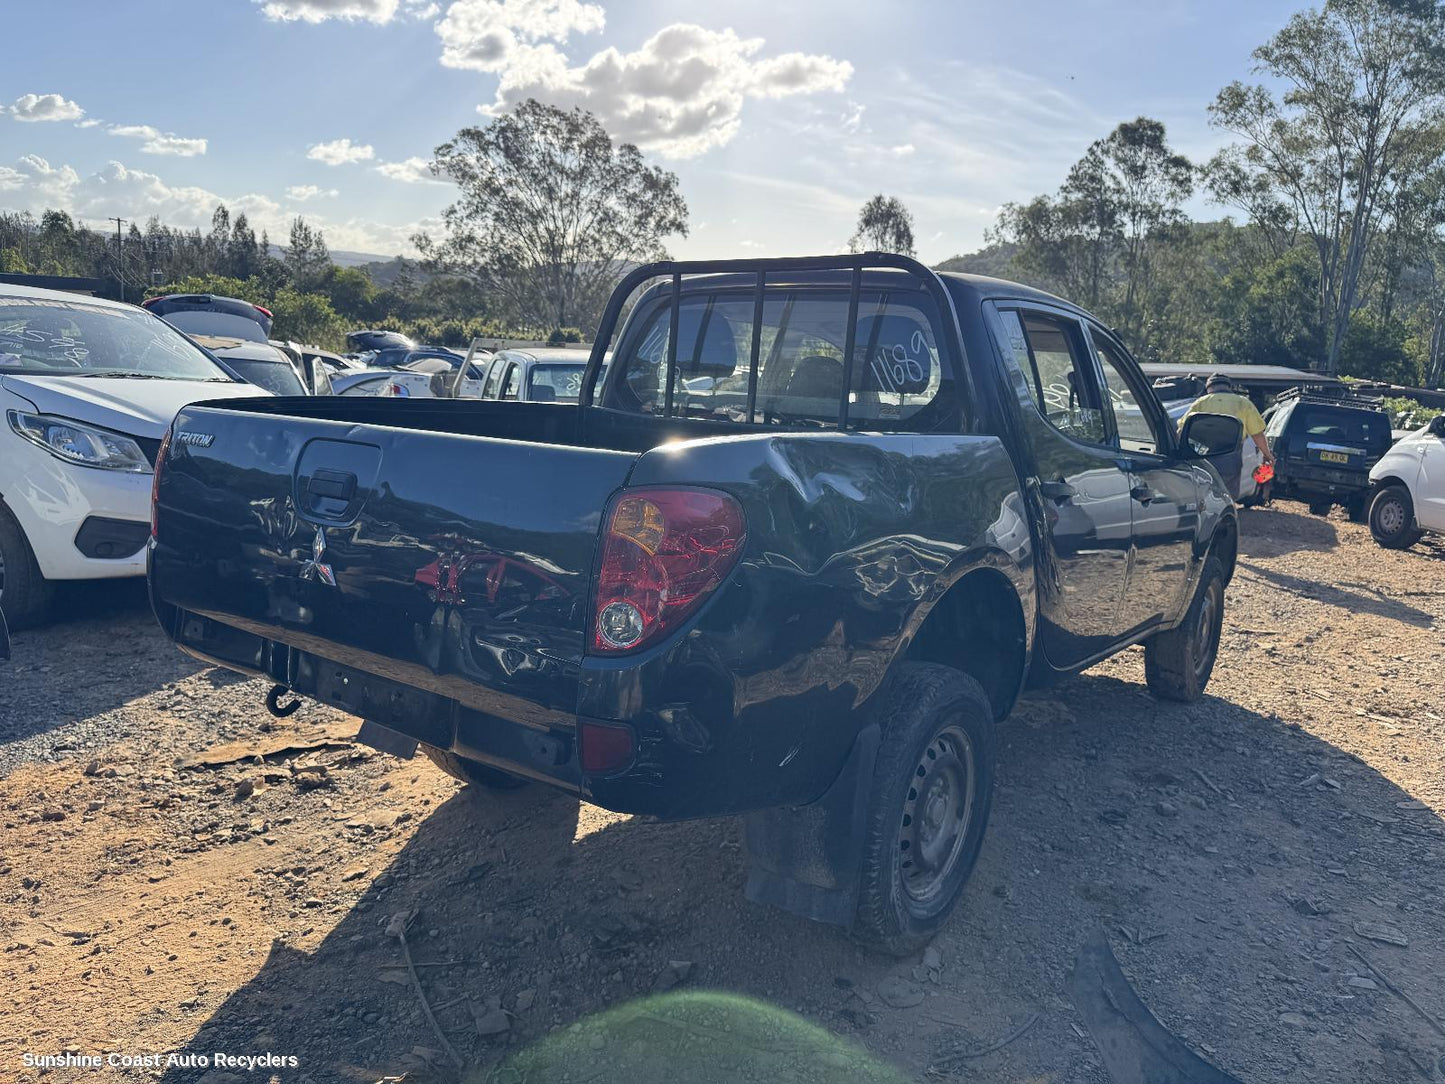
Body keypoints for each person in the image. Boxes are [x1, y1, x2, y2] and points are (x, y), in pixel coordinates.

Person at [1181, 374, 1274, 500]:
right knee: (1227, 496)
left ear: (1209, 388)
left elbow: (1181, 430)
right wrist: (1267, 455)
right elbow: (1257, 434)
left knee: (1203, 494)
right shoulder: (1243, 403)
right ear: (1228, 387)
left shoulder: (1200, 403)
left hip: (1202, 457)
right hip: (1231, 457)